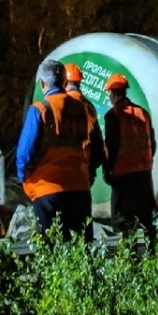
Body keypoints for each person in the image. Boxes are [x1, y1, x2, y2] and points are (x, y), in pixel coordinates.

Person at [16, 59, 102, 240]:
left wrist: (25, 177)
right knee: (82, 251)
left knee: (53, 249)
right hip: (80, 189)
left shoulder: (40, 109)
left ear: (42, 83)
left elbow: (25, 153)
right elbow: (96, 149)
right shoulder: (84, 110)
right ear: (64, 81)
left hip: (48, 191)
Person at [102, 72, 158, 245]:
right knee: (146, 217)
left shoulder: (113, 115)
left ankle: (131, 257)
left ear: (112, 92)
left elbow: (111, 146)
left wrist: (107, 170)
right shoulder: (143, 113)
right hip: (143, 174)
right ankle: (154, 253)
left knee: (125, 221)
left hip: (123, 175)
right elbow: (152, 143)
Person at [64, 61, 106, 227]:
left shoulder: (61, 105)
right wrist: (92, 168)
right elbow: (97, 143)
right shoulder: (88, 106)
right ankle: (86, 250)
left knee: (65, 220)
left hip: (65, 171)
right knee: (83, 219)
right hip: (84, 172)